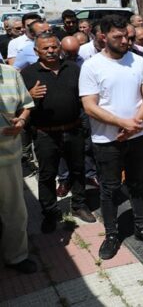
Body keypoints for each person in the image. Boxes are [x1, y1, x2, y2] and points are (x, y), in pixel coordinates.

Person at [79, 15, 143, 260]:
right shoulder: (92, 66)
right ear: (103, 37)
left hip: (138, 136)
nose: (125, 40)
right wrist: (121, 123)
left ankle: (141, 226)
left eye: (127, 36)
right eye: (118, 37)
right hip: (107, 140)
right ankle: (112, 234)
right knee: (109, 188)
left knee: (138, 183)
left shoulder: (138, 61)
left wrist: (135, 124)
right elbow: (90, 106)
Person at [21, 33, 96, 233]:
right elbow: (19, 105)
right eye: (46, 48)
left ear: (60, 48)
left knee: (78, 170)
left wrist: (84, 123)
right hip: (45, 134)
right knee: (47, 175)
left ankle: (79, 205)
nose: (51, 51)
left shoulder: (72, 68)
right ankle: (50, 212)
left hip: (74, 129)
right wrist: (29, 96)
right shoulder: (28, 73)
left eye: (54, 47)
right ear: (37, 51)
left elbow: (84, 97)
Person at [0, 62, 36, 274]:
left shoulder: (10, 74)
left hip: (8, 158)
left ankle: (16, 256)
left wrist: (21, 120)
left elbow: (27, 104)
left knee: (14, 211)